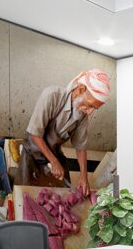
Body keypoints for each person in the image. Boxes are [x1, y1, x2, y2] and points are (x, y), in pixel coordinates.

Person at [18, 69, 110, 197]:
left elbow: (80, 147)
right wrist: (54, 162)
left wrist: (83, 176)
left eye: (95, 108)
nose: (90, 112)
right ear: (81, 89)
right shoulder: (52, 96)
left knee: (64, 193)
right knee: (26, 193)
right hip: (32, 149)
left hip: (54, 151)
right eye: (90, 105)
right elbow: (35, 134)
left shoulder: (82, 114)